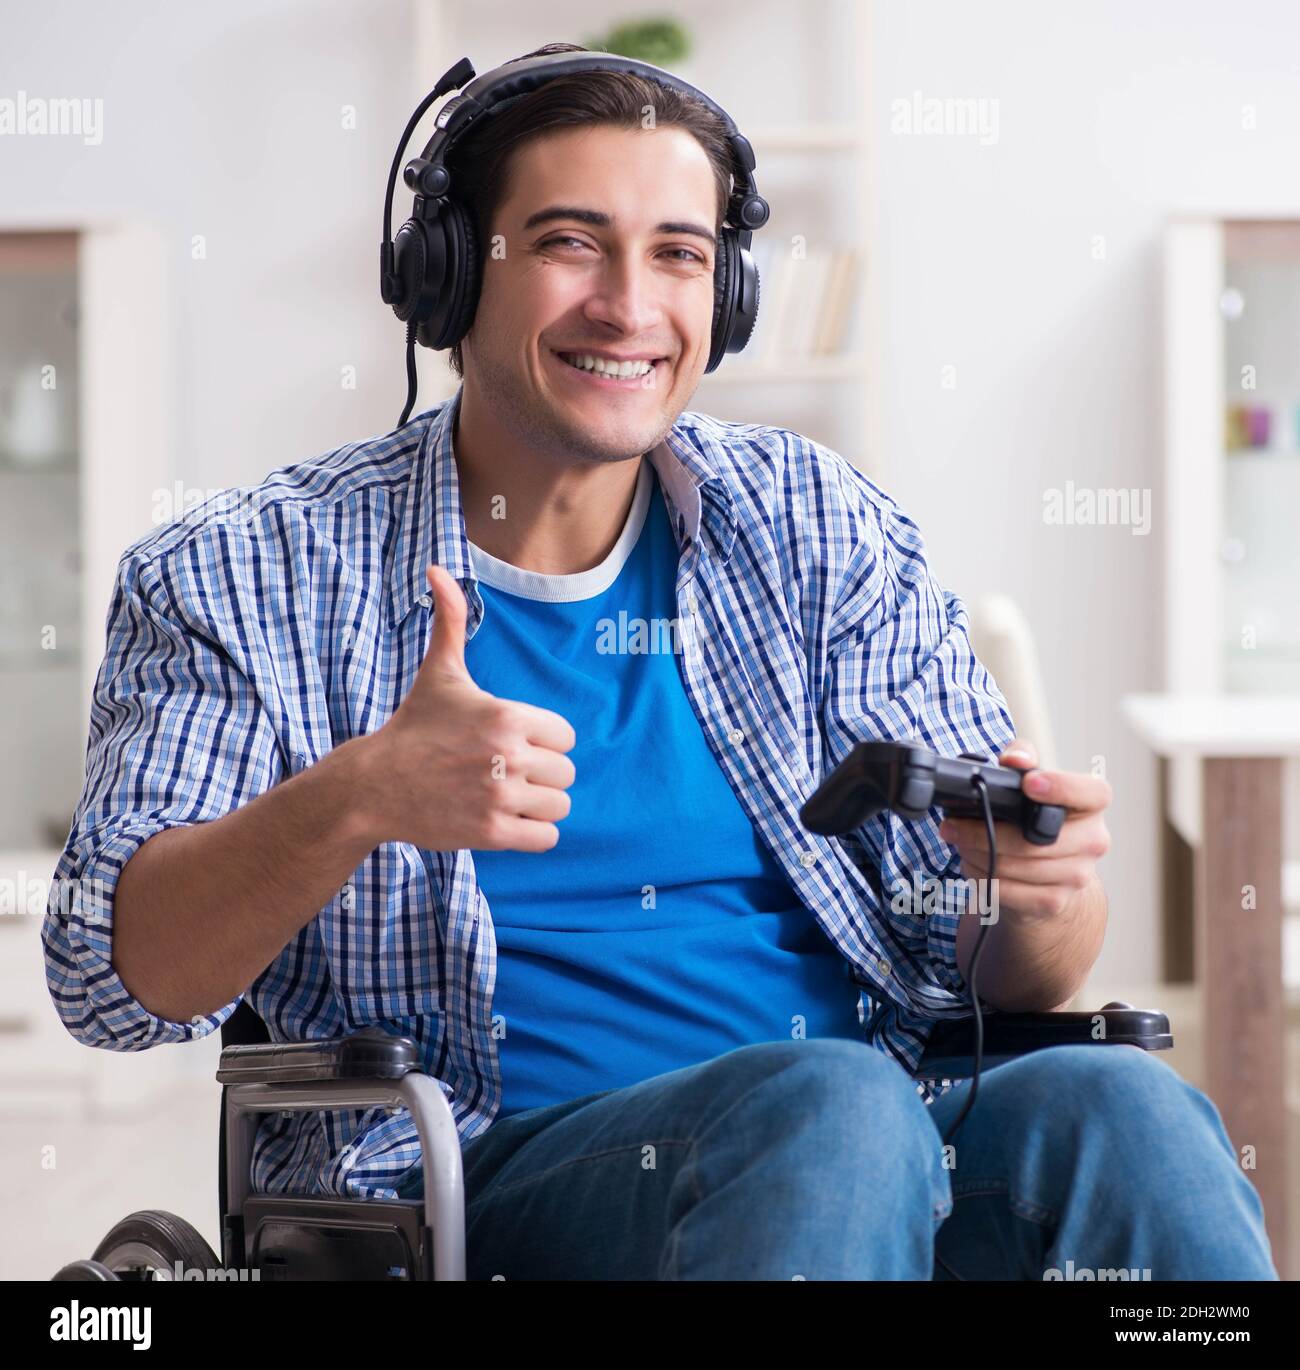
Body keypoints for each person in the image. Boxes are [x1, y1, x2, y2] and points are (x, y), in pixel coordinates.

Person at [42, 41, 1278, 1280]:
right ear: (450, 273)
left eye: (679, 254)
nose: (630, 306)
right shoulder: (246, 569)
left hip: (888, 1137)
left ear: (725, 296)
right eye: (572, 243)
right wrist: (360, 792)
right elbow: (114, 978)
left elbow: (1013, 973)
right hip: (489, 1185)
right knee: (825, 1109)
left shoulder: (817, 526)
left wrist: (1034, 898)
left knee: (1133, 1109)